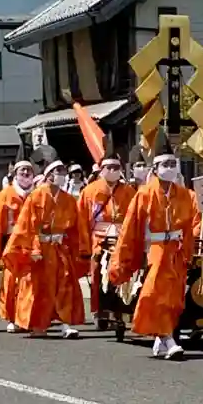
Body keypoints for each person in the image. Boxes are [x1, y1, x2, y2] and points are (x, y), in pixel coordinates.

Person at [109, 129, 196, 360]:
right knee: (154, 293)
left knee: (174, 298)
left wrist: (188, 251)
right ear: (155, 169)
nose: (169, 167)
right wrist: (123, 260)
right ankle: (168, 338)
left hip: (176, 250)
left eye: (172, 163)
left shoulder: (185, 194)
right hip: (156, 249)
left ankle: (162, 337)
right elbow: (130, 228)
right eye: (164, 164)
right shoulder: (144, 194)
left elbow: (188, 227)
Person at [3, 158, 91, 339]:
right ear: (49, 175)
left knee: (65, 283)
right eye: (57, 172)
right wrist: (33, 249)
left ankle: (66, 323)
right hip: (41, 248)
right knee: (38, 287)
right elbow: (26, 226)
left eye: (62, 172)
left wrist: (79, 249)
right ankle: (37, 323)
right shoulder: (36, 196)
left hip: (59, 248)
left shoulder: (68, 199)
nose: (61, 175)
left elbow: (76, 228)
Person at [77, 138, 136, 329]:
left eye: (116, 167)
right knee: (96, 276)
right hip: (98, 239)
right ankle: (99, 312)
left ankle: (119, 311)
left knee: (121, 275)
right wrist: (84, 247)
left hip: (121, 238)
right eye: (108, 167)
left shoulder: (129, 191)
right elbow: (82, 220)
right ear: (101, 170)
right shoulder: (89, 191)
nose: (112, 170)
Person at [0, 152, 35, 333]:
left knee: (31, 283)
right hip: (11, 244)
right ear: (15, 174)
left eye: (29, 170)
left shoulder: (37, 195)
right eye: (22, 170)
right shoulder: (3, 196)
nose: (26, 173)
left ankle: (28, 317)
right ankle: (11, 316)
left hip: (34, 245)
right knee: (11, 282)